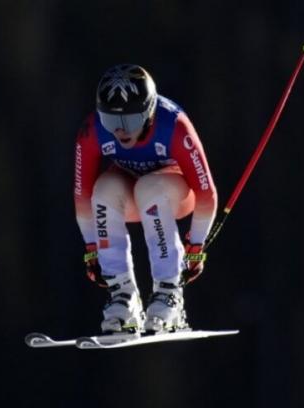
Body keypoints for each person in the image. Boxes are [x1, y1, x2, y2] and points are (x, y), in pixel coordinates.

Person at [73, 64, 218, 333]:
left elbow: (206, 194)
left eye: (129, 121)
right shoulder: (92, 130)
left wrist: (197, 245)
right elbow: (82, 197)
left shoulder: (173, 124)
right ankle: (122, 296)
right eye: (111, 121)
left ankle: (168, 294)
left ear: (149, 112)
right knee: (103, 191)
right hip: (131, 190)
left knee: (149, 189)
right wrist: (92, 246)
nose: (120, 131)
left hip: (174, 191)